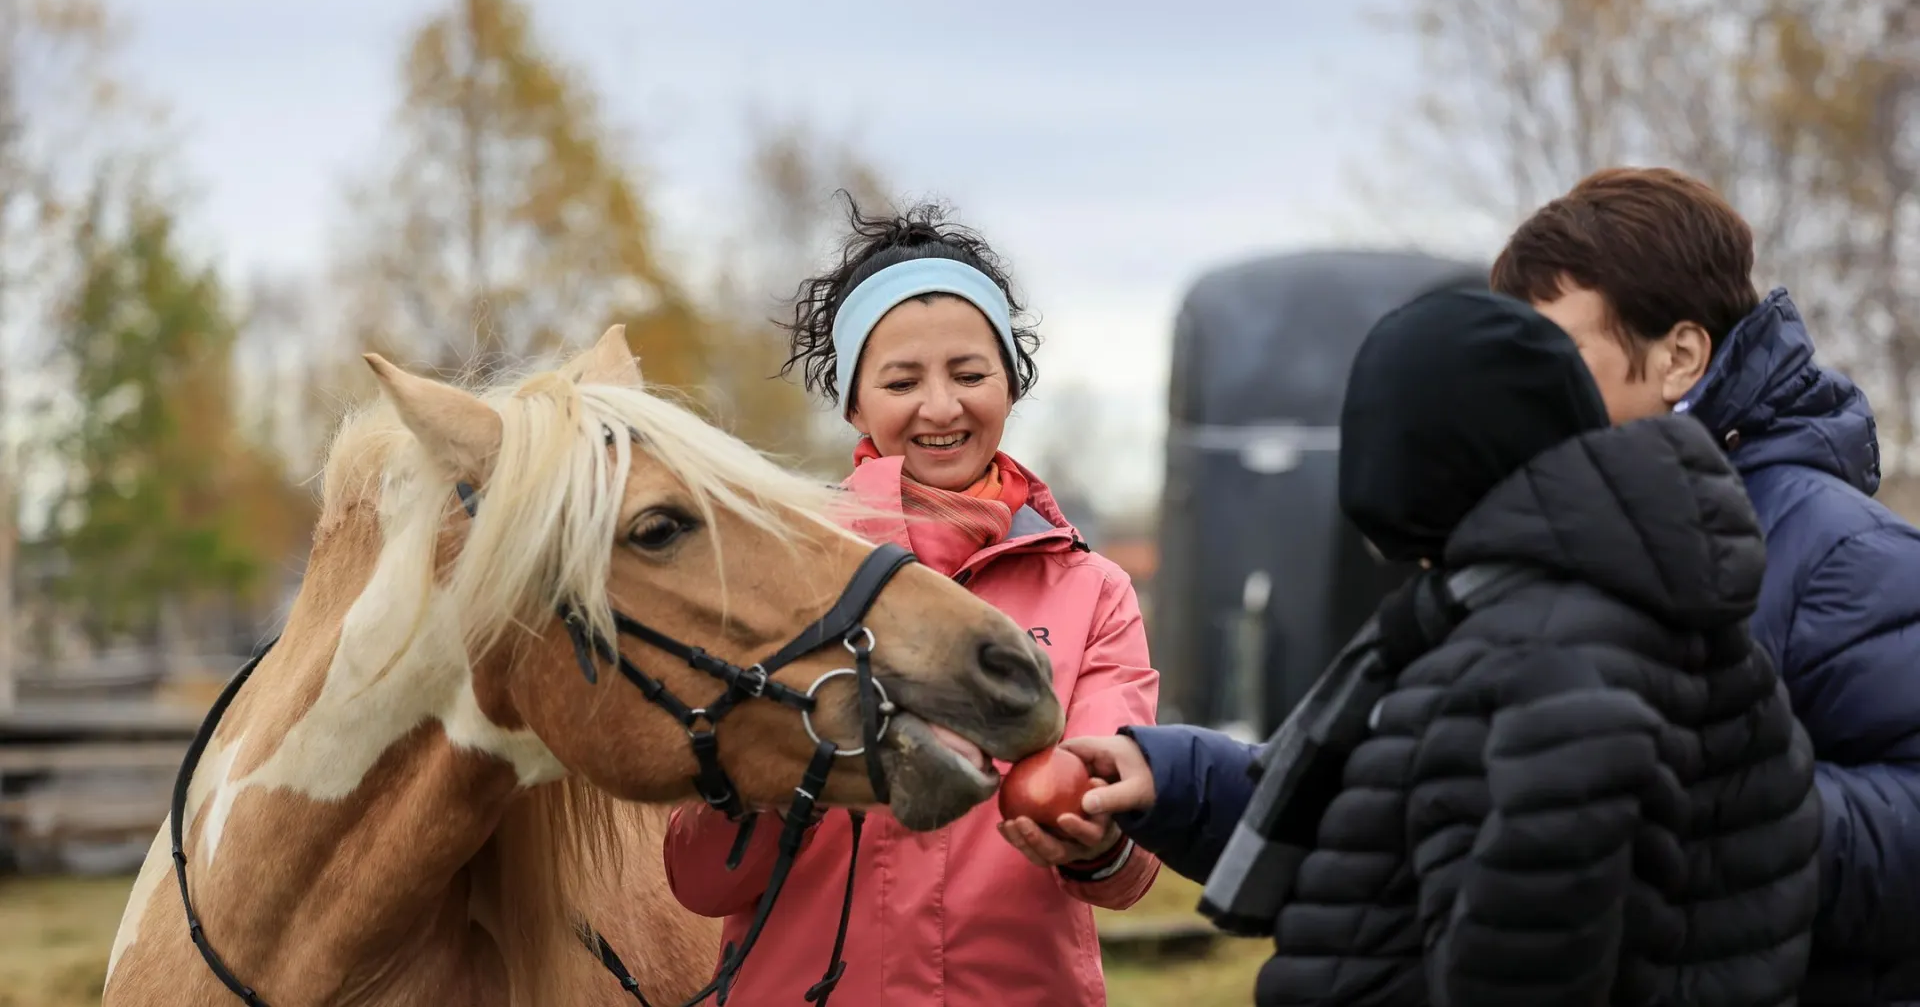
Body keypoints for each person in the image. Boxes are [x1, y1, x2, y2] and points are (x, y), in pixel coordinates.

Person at [1068, 288, 1821, 1006]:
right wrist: (1172, 776)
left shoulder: (1541, 656)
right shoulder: (1611, 604)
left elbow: (1526, 964)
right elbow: (1379, 825)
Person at [660, 198, 1161, 1005]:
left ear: (1011, 382)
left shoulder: (1092, 592)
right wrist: (769, 772)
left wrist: (1095, 838)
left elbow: (1128, 865)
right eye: (901, 381)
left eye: (969, 374)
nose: (940, 407)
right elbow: (697, 880)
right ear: (856, 403)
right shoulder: (776, 576)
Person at [1486, 166, 1920, 1004]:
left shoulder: (1845, 555)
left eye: (1555, 356)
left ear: (1680, 356)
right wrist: (1190, 783)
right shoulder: (1552, 546)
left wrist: (1691, 815)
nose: (1520, 393)